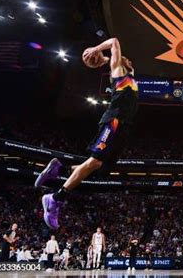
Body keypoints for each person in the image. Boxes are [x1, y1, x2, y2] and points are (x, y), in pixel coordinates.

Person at [34, 37, 138, 230]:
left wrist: (102, 58)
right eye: (123, 58)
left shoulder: (130, 73)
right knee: (95, 161)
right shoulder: (118, 72)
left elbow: (121, 57)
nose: (127, 59)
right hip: (114, 121)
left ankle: (60, 169)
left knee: (101, 170)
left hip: (125, 126)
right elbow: (115, 41)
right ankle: (55, 198)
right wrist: (96, 51)